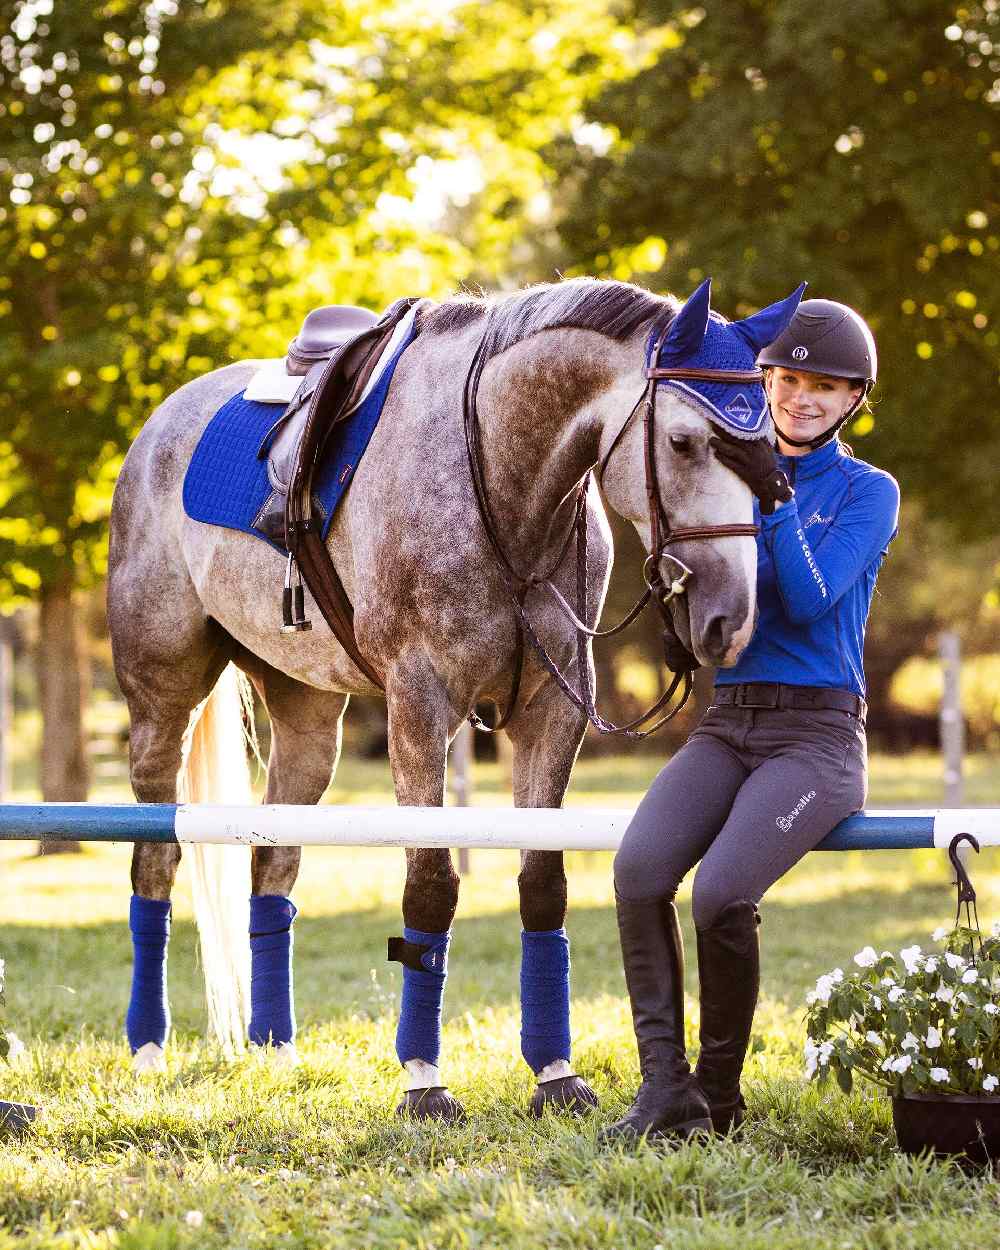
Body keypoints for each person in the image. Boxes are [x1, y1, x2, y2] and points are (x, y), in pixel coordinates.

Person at [602, 298, 900, 1141]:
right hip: (729, 723)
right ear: (764, 378)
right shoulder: (726, 464)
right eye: (789, 378)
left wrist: (771, 501)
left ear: (854, 400)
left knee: (721, 895)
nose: (802, 397)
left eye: (826, 386)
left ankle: (721, 1099)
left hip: (818, 738)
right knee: (638, 874)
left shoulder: (867, 492)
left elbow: (807, 604)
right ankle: (665, 1092)